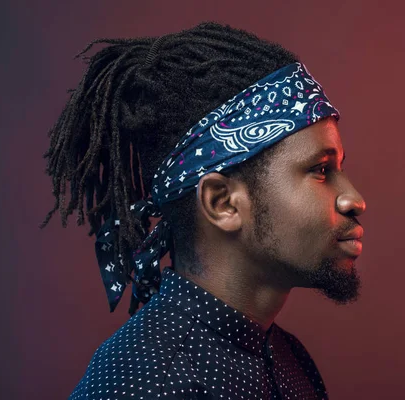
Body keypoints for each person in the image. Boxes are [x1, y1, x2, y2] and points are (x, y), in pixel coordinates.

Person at [41, 22, 366, 400]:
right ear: (222, 203)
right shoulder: (145, 386)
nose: (354, 199)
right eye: (321, 170)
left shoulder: (288, 359)